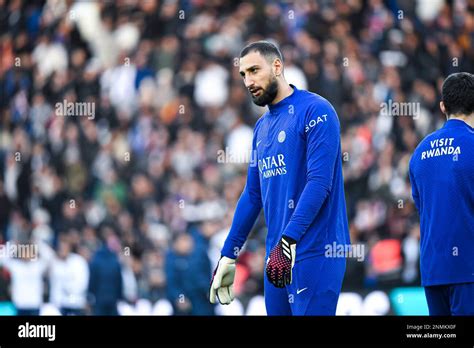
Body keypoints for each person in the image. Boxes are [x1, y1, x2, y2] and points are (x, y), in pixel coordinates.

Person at [209, 41, 350, 315]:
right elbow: (252, 195)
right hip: (277, 256)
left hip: (315, 250)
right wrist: (229, 253)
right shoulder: (261, 128)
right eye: (243, 75)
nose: (248, 81)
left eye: (254, 70)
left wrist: (289, 240)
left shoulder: (317, 111)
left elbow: (319, 183)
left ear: (277, 66)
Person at [409, 72, 474, 315]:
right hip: (468, 267)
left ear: (442, 106)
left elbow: (421, 205)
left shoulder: (420, 151)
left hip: (433, 269)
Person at [49, 236, 89, 315]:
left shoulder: (79, 262)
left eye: (65, 247)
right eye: (60, 248)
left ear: (69, 248)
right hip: (58, 305)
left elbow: (82, 284)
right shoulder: (54, 262)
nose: (62, 250)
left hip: (75, 304)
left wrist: (67, 286)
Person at [87, 231, 123, 316]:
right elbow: (119, 282)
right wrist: (120, 297)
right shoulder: (115, 261)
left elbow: (92, 280)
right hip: (110, 300)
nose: (118, 246)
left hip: (100, 299)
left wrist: (91, 295)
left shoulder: (96, 258)